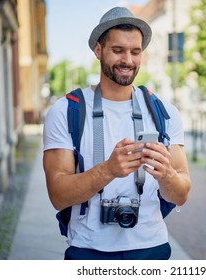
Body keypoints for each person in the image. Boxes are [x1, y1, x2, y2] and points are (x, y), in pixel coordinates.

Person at [43, 6, 191, 260]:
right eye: (118, 50)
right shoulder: (66, 110)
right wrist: (108, 170)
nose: (128, 60)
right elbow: (58, 196)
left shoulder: (165, 112)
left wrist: (166, 174)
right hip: (88, 250)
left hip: (152, 248)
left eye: (135, 51)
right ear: (98, 50)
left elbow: (181, 194)